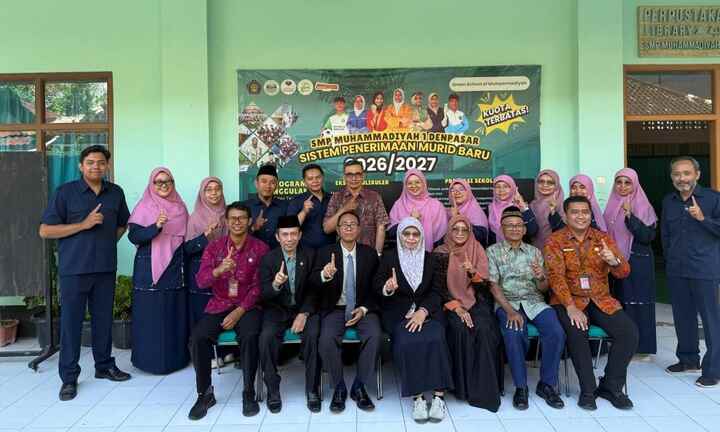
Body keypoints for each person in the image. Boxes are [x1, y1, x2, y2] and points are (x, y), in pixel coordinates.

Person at [39, 145, 132, 401]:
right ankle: (69, 378)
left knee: (103, 320)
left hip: (104, 268)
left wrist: (105, 244)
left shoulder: (115, 192)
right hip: (74, 270)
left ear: (107, 166)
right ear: (81, 166)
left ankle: (104, 366)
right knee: (71, 324)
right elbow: (45, 230)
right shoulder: (65, 192)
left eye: (101, 162)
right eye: (90, 162)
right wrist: (83, 225)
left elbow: (122, 224)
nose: (96, 167)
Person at [544, 196, 638, 411]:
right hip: (568, 300)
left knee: (629, 333)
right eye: (575, 212)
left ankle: (611, 386)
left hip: (600, 299)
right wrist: (570, 307)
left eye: (585, 212)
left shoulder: (602, 238)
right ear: (565, 216)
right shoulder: (555, 240)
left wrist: (613, 261)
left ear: (590, 214)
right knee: (577, 333)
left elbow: (624, 272)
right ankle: (588, 390)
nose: (581, 216)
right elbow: (555, 277)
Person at [188, 202, 269, 420]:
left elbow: (260, 287)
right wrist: (218, 270)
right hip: (220, 303)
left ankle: (248, 392)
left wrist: (239, 311)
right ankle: (205, 394)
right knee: (198, 337)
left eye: (242, 218)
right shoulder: (214, 247)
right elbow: (201, 281)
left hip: (248, 305)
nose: (237, 222)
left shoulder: (260, 248)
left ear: (249, 221)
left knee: (250, 335)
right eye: (232, 218)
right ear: (226, 221)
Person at [374, 217, 454, 423]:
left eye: (415, 234)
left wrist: (423, 311)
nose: (411, 238)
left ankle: (438, 397)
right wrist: (388, 288)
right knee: (408, 340)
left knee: (436, 337)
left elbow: (436, 291)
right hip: (398, 313)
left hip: (427, 313)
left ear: (421, 236)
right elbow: (377, 287)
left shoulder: (430, 259)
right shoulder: (389, 258)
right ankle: (418, 397)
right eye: (406, 234)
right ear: (400, 236)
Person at [487, 207, 565, 410]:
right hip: (508, 302)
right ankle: (521, 387)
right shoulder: (493, 251)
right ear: (502, 229)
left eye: (518, 226)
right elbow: (493, 286)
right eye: (509, 226)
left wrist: (540, 277)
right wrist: (510, 311)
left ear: (524, 229)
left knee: (556, 332)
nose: (514, 229)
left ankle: (547, 384)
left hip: (534, 301)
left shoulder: (534, 252)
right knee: (514, 333)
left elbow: (544, 288)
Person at [313, 210, 381, 413]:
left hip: (362, 307)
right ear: (338, 229)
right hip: (335, 308)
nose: (349, 227)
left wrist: (364, 308)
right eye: (344, 224)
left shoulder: (369, 254)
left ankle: (359, 386)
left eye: (353, 224)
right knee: (326, 339)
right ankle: (339, 387)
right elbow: (311, 283)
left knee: (375, 335)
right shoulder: (325, 253)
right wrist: (324, 275)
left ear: (359, 229)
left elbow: (376, 288)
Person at [662, 156, 720, 387]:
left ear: (697, 174)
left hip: (704, 268)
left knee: (711, 320)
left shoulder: (713, 199)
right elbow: (665, 234)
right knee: (682, 317)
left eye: (686, 173)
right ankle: (688, 360)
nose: (682, 178)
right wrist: (669, 259)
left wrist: (703, 219)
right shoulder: (669, 201)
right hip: (677, 268)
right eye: (677, 174)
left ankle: (713, 369)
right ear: (672, 177)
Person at [434, 214, 501, 412]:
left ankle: (485, 389)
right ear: (449, 230)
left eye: (464, 229)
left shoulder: (477, 249)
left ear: (470, 231)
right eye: (456, 229)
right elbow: (437, 288)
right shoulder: (440, 252)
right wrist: (457, 307)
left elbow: (484, 289)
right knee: (460, 328)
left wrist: (472, 272)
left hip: (476, 301)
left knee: (484, 329)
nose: (460, 233)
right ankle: (463, 389)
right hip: (450, 304)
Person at [128, 167, 190, 375]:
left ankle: (175, 360)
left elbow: (186, 240)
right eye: (158, 182)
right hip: (149, 270)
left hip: (175, 268)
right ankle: (148, 361)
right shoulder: (144, 206)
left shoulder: (180, 207)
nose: (163, 185)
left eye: (167, 181)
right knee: (150, 318)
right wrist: (155, 226)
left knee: (173, 314)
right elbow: (134, 236)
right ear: (151, 184)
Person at [258, 215, 321, 413]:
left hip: (304, 308)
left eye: (293, 234)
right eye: (285, 235)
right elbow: (264, 294)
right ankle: (272, 388)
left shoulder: (310, 255)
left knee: (313, 335)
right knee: (266, 338)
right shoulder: (268, 259)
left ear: (300, 235)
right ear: (277, 237)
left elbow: (315, 289)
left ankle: (312, 388)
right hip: (277, 310)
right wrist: (276, 284)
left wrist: (304, 313)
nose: (289, 239)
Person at [604, 168, 658, 357]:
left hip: (638, 262)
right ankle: (623, 344)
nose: (622, 186)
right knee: (619, 302)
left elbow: (647, 236)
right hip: (615, 262)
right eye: (619, 182)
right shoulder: (610, 206)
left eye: (627, 183)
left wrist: (630, 216)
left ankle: (641, 349)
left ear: (635, 184)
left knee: (638, 304)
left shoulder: (643, 207)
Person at [185, 177, 228, 333]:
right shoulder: (195, 217)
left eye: (217, 189)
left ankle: (222, 347)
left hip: (225, 272)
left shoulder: (228, 214)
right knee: (202, 317)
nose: (214, 193)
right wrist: (205, 237)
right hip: (202, 273)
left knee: (224, 317)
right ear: (202, 193)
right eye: (208, 190)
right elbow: (187, 248)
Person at [323, 159, 389, 255]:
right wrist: (344, 209)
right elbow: (327, 229)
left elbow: (381, 227)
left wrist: (377, 254)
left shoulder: (374, 197)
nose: (354, 178)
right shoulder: (337, 197)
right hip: (343, 254)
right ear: (344, 177)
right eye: (349, 175)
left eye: (358, 174)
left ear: (363, 176)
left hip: (368, 253)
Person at [388, 169, 448, 251]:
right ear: (405, 186)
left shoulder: (437, 206)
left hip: (430, 254)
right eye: (409, 183)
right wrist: (410, 220)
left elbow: (441, 235)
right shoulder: (398, 205)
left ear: (423, 183)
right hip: (404, 254)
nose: (414, 186)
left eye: (417, 182)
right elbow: (391, 233)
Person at [286, 163, 335, 249]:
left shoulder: (333, 199)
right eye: (310, 179)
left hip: (330, 249)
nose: (315, 181)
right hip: (305, 251)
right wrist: (304, 211)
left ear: (323, 178)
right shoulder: (296, 201)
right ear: (304, 182)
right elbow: (290, 227)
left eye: (318, 177)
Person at [243, 164, 288, 249]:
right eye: (264, 181)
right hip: (252, 255)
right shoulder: (244, 207)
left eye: (272, 182)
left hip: (277, 255)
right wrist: (253, 227)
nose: (268, 186)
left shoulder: (285, 206)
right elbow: (236, 237)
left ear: (277, 185)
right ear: (256, 183)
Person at [487, 175, 538, 245]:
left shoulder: (520, 207)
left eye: (505, 186)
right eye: (498, 187)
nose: (501, 190)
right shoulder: (489, 209)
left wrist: (522, 205)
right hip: (496, 250)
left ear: (512, 188)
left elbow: (533, 231)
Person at [447, 178, 489, 246]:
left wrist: (457, 217)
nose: (457, 192)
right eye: (453, 190)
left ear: (468, 192)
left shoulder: (475, 211)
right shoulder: (449, 212)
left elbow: (481, 237)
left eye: (461, 189)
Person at [530, 169, 565, 249]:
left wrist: (553, 212)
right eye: (541, 181)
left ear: (556, 185)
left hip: (556, 250)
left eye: (550, 182)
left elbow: (564, 232)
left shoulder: (562, 205)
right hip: (534, 250)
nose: (545, 185)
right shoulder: (532, 205)